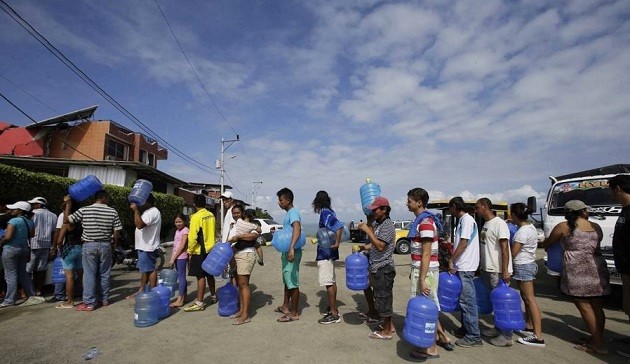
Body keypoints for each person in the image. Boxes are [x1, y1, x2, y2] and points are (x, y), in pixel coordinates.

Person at [544, 200, 610, 355]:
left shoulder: (563, 226)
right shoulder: (595, 226)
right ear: (583, 211)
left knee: (584, 306)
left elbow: (548, 243)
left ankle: (598, 344)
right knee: (597, 306)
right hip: (597, 266)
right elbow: (596, 246)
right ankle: (597, 338)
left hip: (577, 269)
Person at [406, 188, 453, 359]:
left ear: (419, 202)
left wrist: (422, 279)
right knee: (428, 304)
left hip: (426, 271)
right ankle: (442, 337)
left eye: (410, 201)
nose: (407, 204)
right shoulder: (423, 221)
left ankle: (431, 348)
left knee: (427, 309)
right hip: (422, 269)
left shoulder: (425, 222)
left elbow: (426, 253)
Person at [65, 191, 122, 311]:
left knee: (89, 274)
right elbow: (116, 231)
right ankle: (104, 299)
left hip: (89, 245)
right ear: (104, 198)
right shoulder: (112, 211)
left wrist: (68, 205)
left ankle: (90, 303)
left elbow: (67, 221)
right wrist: (114, 244)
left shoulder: (84, 210)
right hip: (106, 245)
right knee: (104, 274)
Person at [475, 197, 514, 347]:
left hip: (497, 271)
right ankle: (498, 328)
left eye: (478, 207)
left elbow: (505, 248)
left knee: (501, 303)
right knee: (494, 302)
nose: (476, 211)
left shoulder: (499, 224)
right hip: (487, 269)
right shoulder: (486, 224)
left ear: (485, 206)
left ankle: (506, 336)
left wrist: (505, 271)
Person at [357, 196, 396, 340]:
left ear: (384, 209)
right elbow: (375, 243)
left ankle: (386, 332)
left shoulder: (387, 225)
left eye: (375, 210)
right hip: (377, 268)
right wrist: (364, 247)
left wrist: (368, 230)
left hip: (384, 268)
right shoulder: (379, 224)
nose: (373, 212)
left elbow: (380, 246)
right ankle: (389, 326)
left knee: (383, 299)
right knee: (381, 298)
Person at [448, 197, 483, 348]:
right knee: (463, 300)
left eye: (450, 208)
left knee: (467, 301)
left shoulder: (467, 220)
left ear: (455, 206)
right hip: (462, 265)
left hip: (466, 266)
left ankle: (474, 335)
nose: (450, 211)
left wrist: (451, 259)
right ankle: (466, 328)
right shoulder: (463, 220)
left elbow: (464, 243)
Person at [510, 203, 545, 347]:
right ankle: (530, 325)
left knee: (530, 299)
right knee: (526, 298)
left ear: (514, 215)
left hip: (523, 266)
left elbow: (513, 252)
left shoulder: (522, 232)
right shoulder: (530, 227)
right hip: (529, 263)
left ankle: (538, 336)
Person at [0, 201, 44, 307]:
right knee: (23, 274)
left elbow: (8, 237)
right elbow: (32, 235)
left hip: (11, 249)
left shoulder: (13, 221)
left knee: (10, 275)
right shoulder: (29, 221)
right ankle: (32, 295)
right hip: (24, 249)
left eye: (14, 209)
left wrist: (1, 241)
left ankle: (9, 300)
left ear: (20, 211)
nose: (11, 211)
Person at [312, 190, 343, 325]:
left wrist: (336, 243)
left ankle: (334, 314)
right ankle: (333, 309)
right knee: (332, 281)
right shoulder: (331, 211)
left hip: (325, 253)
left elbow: (339, 226)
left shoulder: (325, 213)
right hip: (330, 253)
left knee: (328, 283)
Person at [183, 194, 217, 312]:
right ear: (205, 203)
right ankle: (213, 296)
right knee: (210, 274)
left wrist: (190, 251)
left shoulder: (196, 217)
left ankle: (199, 302)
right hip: (211, 249)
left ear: (194, 204)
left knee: (200, 276)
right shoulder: (211, 215)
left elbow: (192, 237)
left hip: (199, 250)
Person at [228, 206, 260, 325]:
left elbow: (254, 235)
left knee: (243, 284)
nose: (235, 215)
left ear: (242, 213)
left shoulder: (248, 224)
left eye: (237, 212)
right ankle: (241, 311)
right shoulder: (237, 224)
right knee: (241, 285)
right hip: (237, 255)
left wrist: (238, 237)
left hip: (246, 255)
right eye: (233, 213)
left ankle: (245, 315)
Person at [609, 174, 630, 358]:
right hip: (624, 268)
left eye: (611, 190)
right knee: (628, 305)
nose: (611, 195)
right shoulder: (625, 210)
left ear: (618, 189)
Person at [275, 187, 302, 323]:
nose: (279, 203)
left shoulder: (293, 212)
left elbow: (297, 227)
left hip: (292, 251)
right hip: (287, 251)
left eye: (280, 200)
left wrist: (291, 248)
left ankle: (294, 312)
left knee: (292, 280)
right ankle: (286, 306)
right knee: (287, 279)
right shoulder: (289, 213)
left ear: (288, 200)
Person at [128, 193, 162, 299]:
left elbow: (139, 225)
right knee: (145, 269)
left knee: (150, 269)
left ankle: (153, 293)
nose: (140, 204)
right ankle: (142, 290)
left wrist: (136, 210)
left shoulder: (152, 212)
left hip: (148, 246)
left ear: (147, 202)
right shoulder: (149, 212)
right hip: (145, 246)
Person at [53, 199, 84, 308]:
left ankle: (70, 302)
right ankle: (88, 298)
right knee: (82, 275)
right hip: (81, 248)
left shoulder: (66, 225)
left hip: (68, 249)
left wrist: (58, 248)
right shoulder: (82, 221)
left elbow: (59, 241)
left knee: (69, 277)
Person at [27, 197, 57, 296]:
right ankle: (39, 290)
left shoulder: (33, 213)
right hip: (46, 244)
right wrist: (53, 246)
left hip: (32, 244)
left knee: (28, 269)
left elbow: (29, 228)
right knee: (41, 269)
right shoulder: (53, 215)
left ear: (39, 205)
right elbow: (54, 232)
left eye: (33, 204)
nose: (32, 206)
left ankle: (26, 291)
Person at [168, 214, 188, 308]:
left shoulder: (185, 230)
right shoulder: (177, 231)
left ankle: (180, 299)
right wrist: (172, 257)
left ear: (184, 221)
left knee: (181, 278)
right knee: (181, 277)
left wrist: (173, 258)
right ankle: (184, 297)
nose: (178, 223)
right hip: (177, 257)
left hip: (182, 257)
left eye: (180, 221)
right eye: (176, 222)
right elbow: (175, 246)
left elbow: (182, 246)